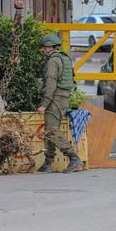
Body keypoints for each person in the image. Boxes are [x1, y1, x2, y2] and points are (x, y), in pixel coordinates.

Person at [37, 34, 82, 173]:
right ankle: (48, 162)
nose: (43, 50)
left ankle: (74, 158)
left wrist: (44, 103)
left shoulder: (53, 61)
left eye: (44, 47)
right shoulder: (65, 58)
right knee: (51, 128)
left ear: (49, 47)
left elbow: (50, 84)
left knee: (52, 130)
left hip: (55, 98)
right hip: (63, 97)